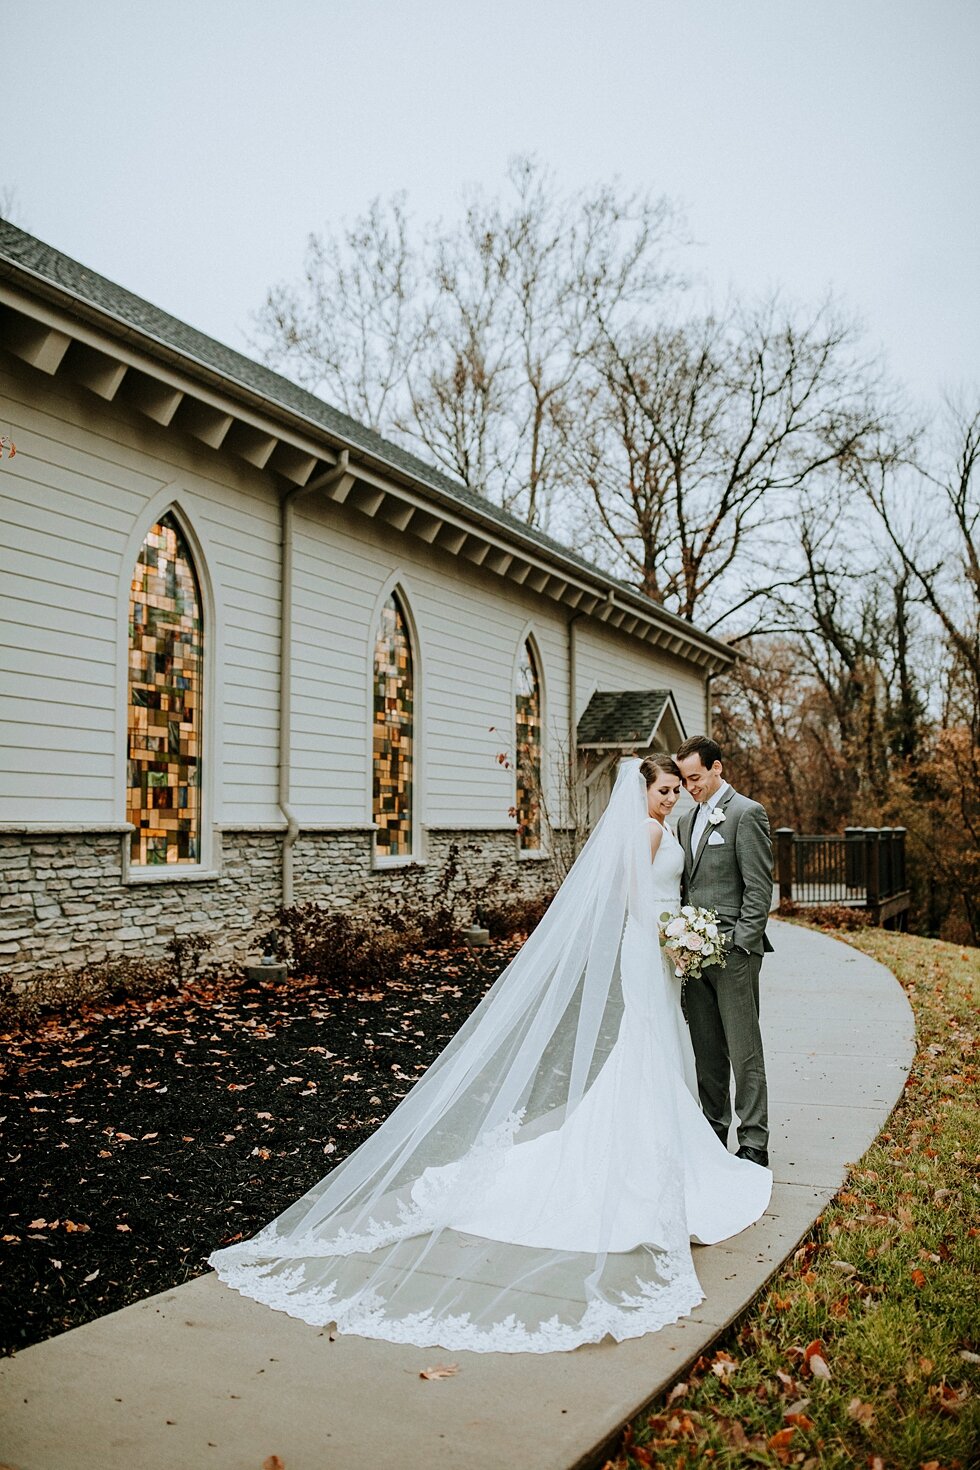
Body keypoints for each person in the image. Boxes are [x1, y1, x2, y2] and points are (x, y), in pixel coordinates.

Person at [210, 757, 771, 1353]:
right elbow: (637, 902)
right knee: (651, 1046)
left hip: (659, 950)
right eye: (662, 789)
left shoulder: (667, 825)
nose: (670, 797)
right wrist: (674, 934)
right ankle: (653, 1146)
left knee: (655, 1046)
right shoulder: (652, 830)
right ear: (644, 792)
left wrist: (676, 933)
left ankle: (663, 1136)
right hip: (653, 946)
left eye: (675, 790)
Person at [674, 736, 773, 1167]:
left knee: (744, 1048)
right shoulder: (683, 822)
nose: (689, 787)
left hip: (734, 954)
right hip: (693, 956)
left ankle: (753, 1141)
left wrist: (741, 946)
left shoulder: (746, 814)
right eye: (684, 780)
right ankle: (712, 1132)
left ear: (717, 768)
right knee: (707, 1050)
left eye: (695, 777)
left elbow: (759, 888)